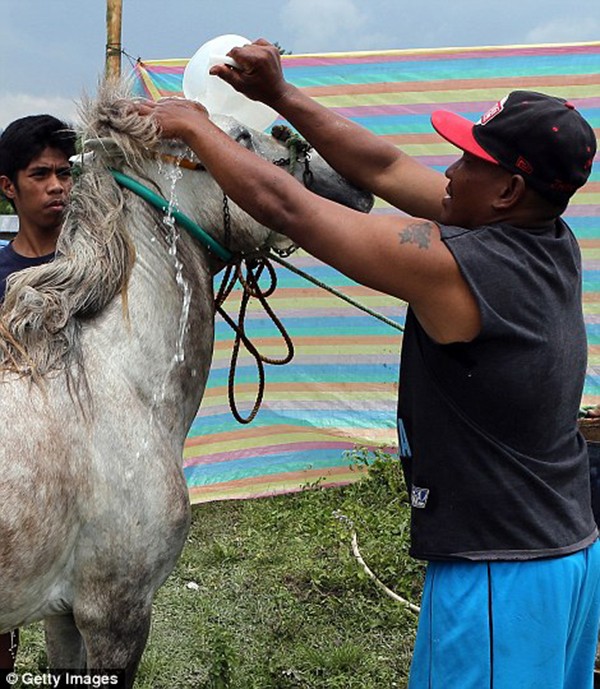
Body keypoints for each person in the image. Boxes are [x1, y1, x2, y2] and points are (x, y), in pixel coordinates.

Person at [136, 40, 600, 688]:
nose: (451, 167)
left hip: (501, 570)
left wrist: (193, 126)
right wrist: (279, 96)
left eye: (469, 157)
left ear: (507, 189)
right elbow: (383, 165)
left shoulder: (460, 266)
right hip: (559, 551)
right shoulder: (545, 235)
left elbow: (291, 208)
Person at [0, 114, 76, 674]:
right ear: (8, 187)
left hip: (85, 466)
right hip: (17, 469)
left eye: (65, 173)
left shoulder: (96, 267)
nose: (57, 186)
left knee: (86, 610)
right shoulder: (1, 273)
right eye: (40, 174)